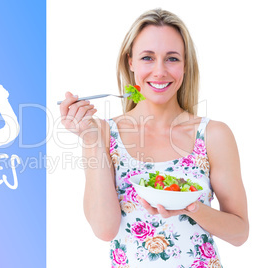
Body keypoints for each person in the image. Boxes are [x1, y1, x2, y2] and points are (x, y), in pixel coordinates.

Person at [59, 8, 249, 267]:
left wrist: (188, 206)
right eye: (148, 57)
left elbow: (239, 233)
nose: (160, 71)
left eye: (172, 59)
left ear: (185, 65)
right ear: (131, 62)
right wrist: (90, 139)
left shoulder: (213, 135)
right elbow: (104, 230)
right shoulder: (102, 133)